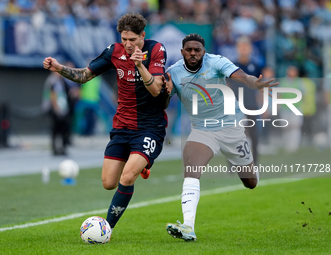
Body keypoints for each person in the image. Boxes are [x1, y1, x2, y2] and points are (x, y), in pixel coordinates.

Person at [43, 13, 169, 233]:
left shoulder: (156, 49)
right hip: (122, 126)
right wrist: (59, 68)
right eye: (124, 39)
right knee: (109, 183)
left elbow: (157, 89)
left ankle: (106, 229)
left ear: (143, 36)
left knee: (127, 176)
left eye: (132, 39)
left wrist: (140, 65)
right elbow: (84, 75)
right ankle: (143, 164)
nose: (128, 44)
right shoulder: (114, 51)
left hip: (150, 126)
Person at [164, 33, 278, 241]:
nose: (193, 53)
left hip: (231, 128)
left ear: (203, 52)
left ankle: (250, 164)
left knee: (251, 182)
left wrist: (255, 83)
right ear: (182, 52)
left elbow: (242, 77)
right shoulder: (173, 73)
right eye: (188, 50)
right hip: (202, 130)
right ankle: (188, 226)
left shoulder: (217, 62)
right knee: (191, 168)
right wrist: (164, 93)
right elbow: (162, 102)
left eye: (197, 50)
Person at [229, 36, 262, 166]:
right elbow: (227, 85)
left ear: (250, 49)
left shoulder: (256, 66)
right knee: (233, 135)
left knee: (254, 134)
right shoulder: (231, 66)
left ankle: (255, 162)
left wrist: (263, 104)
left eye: (246, 47)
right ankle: (232, 164)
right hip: (235, 105)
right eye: (241, 47)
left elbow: (260, 87)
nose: (243, 49)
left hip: (251, 105)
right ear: (237, 49)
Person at [42, 71, 74, 156]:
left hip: (63, 109)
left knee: (63, 129)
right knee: (55, 129)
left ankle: (62, 147)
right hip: (55, 109)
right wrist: (56, 109)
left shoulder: (62, 81)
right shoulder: (53, 81)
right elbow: (52, 95)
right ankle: (55, 148)